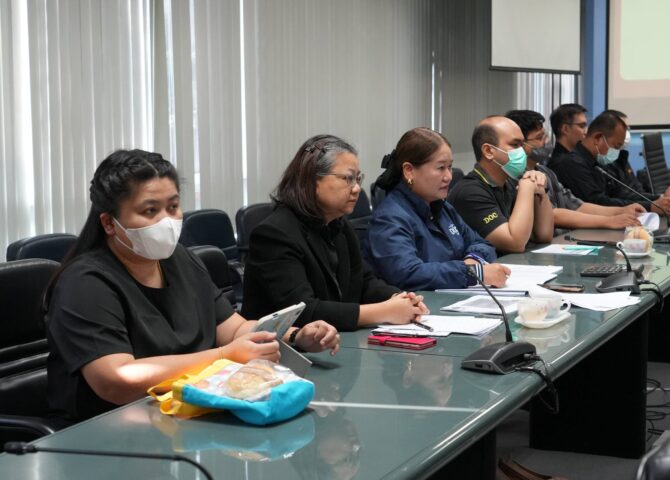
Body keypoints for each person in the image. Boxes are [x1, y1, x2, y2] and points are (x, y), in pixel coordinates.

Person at [45, 149, 340, 426]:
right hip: (109, 430)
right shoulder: (85, 283)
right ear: (109, 223)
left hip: (186, 414)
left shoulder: (180, 259)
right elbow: (117, 380)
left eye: (173, 207)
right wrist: (224, 356)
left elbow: (234, 330)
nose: (166, 221)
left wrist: (295, 335)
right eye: (150, 211)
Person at [241, 135, 428, 331]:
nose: (357, 188)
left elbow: (363, 282)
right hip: (279, 345)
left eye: (358, 179)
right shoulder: (274, 234)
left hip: (333, 340)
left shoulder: (338, 225)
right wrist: (385, 311)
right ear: (313, 179)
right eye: (348, 178)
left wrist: (400, 299)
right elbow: (303, 312)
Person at [364, 127, 510, 291]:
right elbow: (407, 274)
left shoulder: (442, 207)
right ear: (409, 171)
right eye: (440, 168)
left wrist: (473, 260)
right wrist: (472, 272)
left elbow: (482, 243)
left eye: (450, 167)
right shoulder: (389, 218)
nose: (449, 176)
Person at [505, 109, 644, 232]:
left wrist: (622, 210)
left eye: (545, 136)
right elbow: (553, 214)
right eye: (539, 138)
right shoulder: (513, 177)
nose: (546, 142)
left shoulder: (545, 171)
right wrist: (609, 221)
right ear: (520, 143)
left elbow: (577, 205)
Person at [447, 116, 554, 253]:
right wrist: (527, 189)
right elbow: (515, 243)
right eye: (515, 145)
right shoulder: (469, 192)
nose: (523, 152)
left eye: (522, 145)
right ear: (488, 151)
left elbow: (544, 235)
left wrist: (540, 190)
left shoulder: (509, 182)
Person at [548, 111, 670, 214]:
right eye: (616, 146)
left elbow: (619, 192)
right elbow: (598, 202)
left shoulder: (598, 159)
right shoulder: (572, 163)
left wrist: (658, 199)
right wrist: (650, 207)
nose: (616, 152)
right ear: (598, 138)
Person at [604, 109, 670, 201]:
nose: (627, 133)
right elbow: (620, 196)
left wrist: (660, 199)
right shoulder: (606, 160)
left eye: (628, 129)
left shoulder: (621, 156)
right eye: (623, 129)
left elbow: (636, 188)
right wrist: (657, 200)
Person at [547, 103, 588, 168]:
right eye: (582, 126)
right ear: (565, 129)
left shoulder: (572, 158)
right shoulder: (566, 163)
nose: (586, 132)